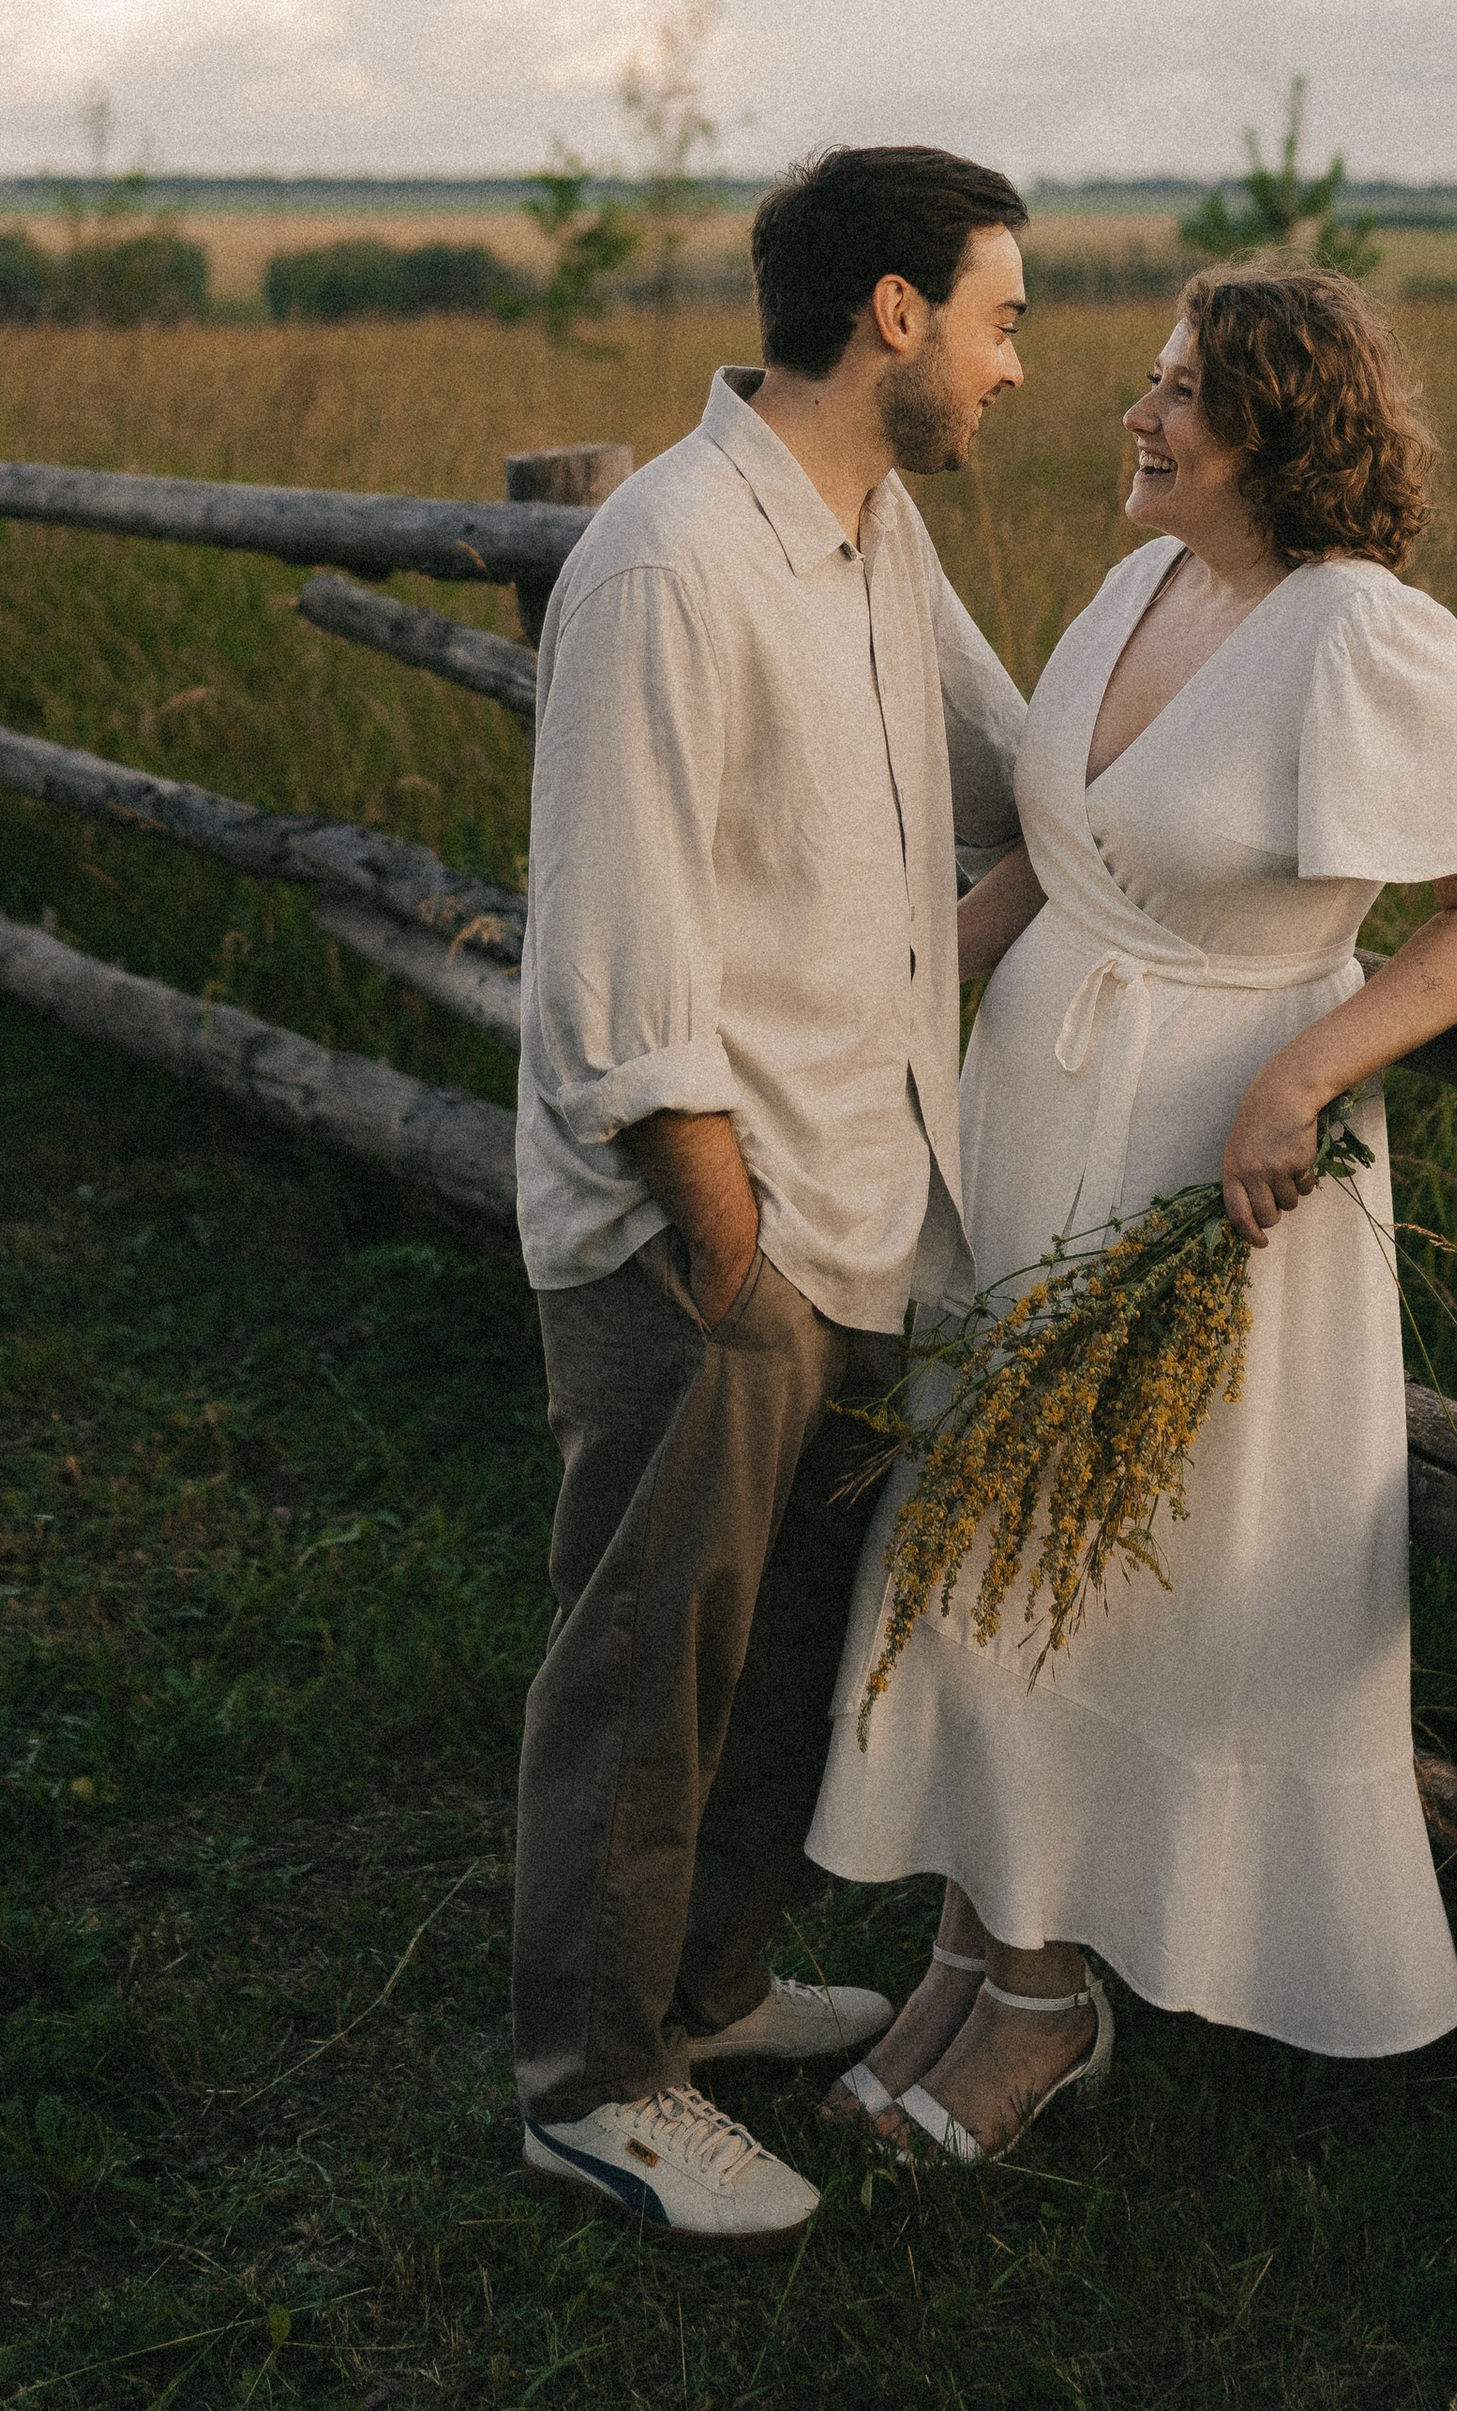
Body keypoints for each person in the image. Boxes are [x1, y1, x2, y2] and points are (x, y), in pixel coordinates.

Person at [809, 264, 1457, 2160]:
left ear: (1278, 432)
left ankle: (1049, 1998)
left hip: (1199, 1175)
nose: (1135, 415)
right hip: (1033, 1130)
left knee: (1107, 1578)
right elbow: (1056, 873)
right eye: (1148, 380)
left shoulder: (1363, 637)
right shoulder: (1136, 586)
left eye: (1181, 394)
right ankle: (977, 1944)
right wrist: (871, 1028)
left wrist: (1302, 1077)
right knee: (985, 1541)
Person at [512, 146, 1032, 2248]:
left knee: (774, 1648)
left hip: (859, 1203)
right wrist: (715, 1247)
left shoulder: (873, 535)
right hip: (710, 1232)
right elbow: (616, 951)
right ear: (892, 315)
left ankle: (709, 1997)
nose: (1016, 365)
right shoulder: (666, 560)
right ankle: (590, 2081)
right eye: (1000, 317)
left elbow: (1022, 768)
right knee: (651, 1666)